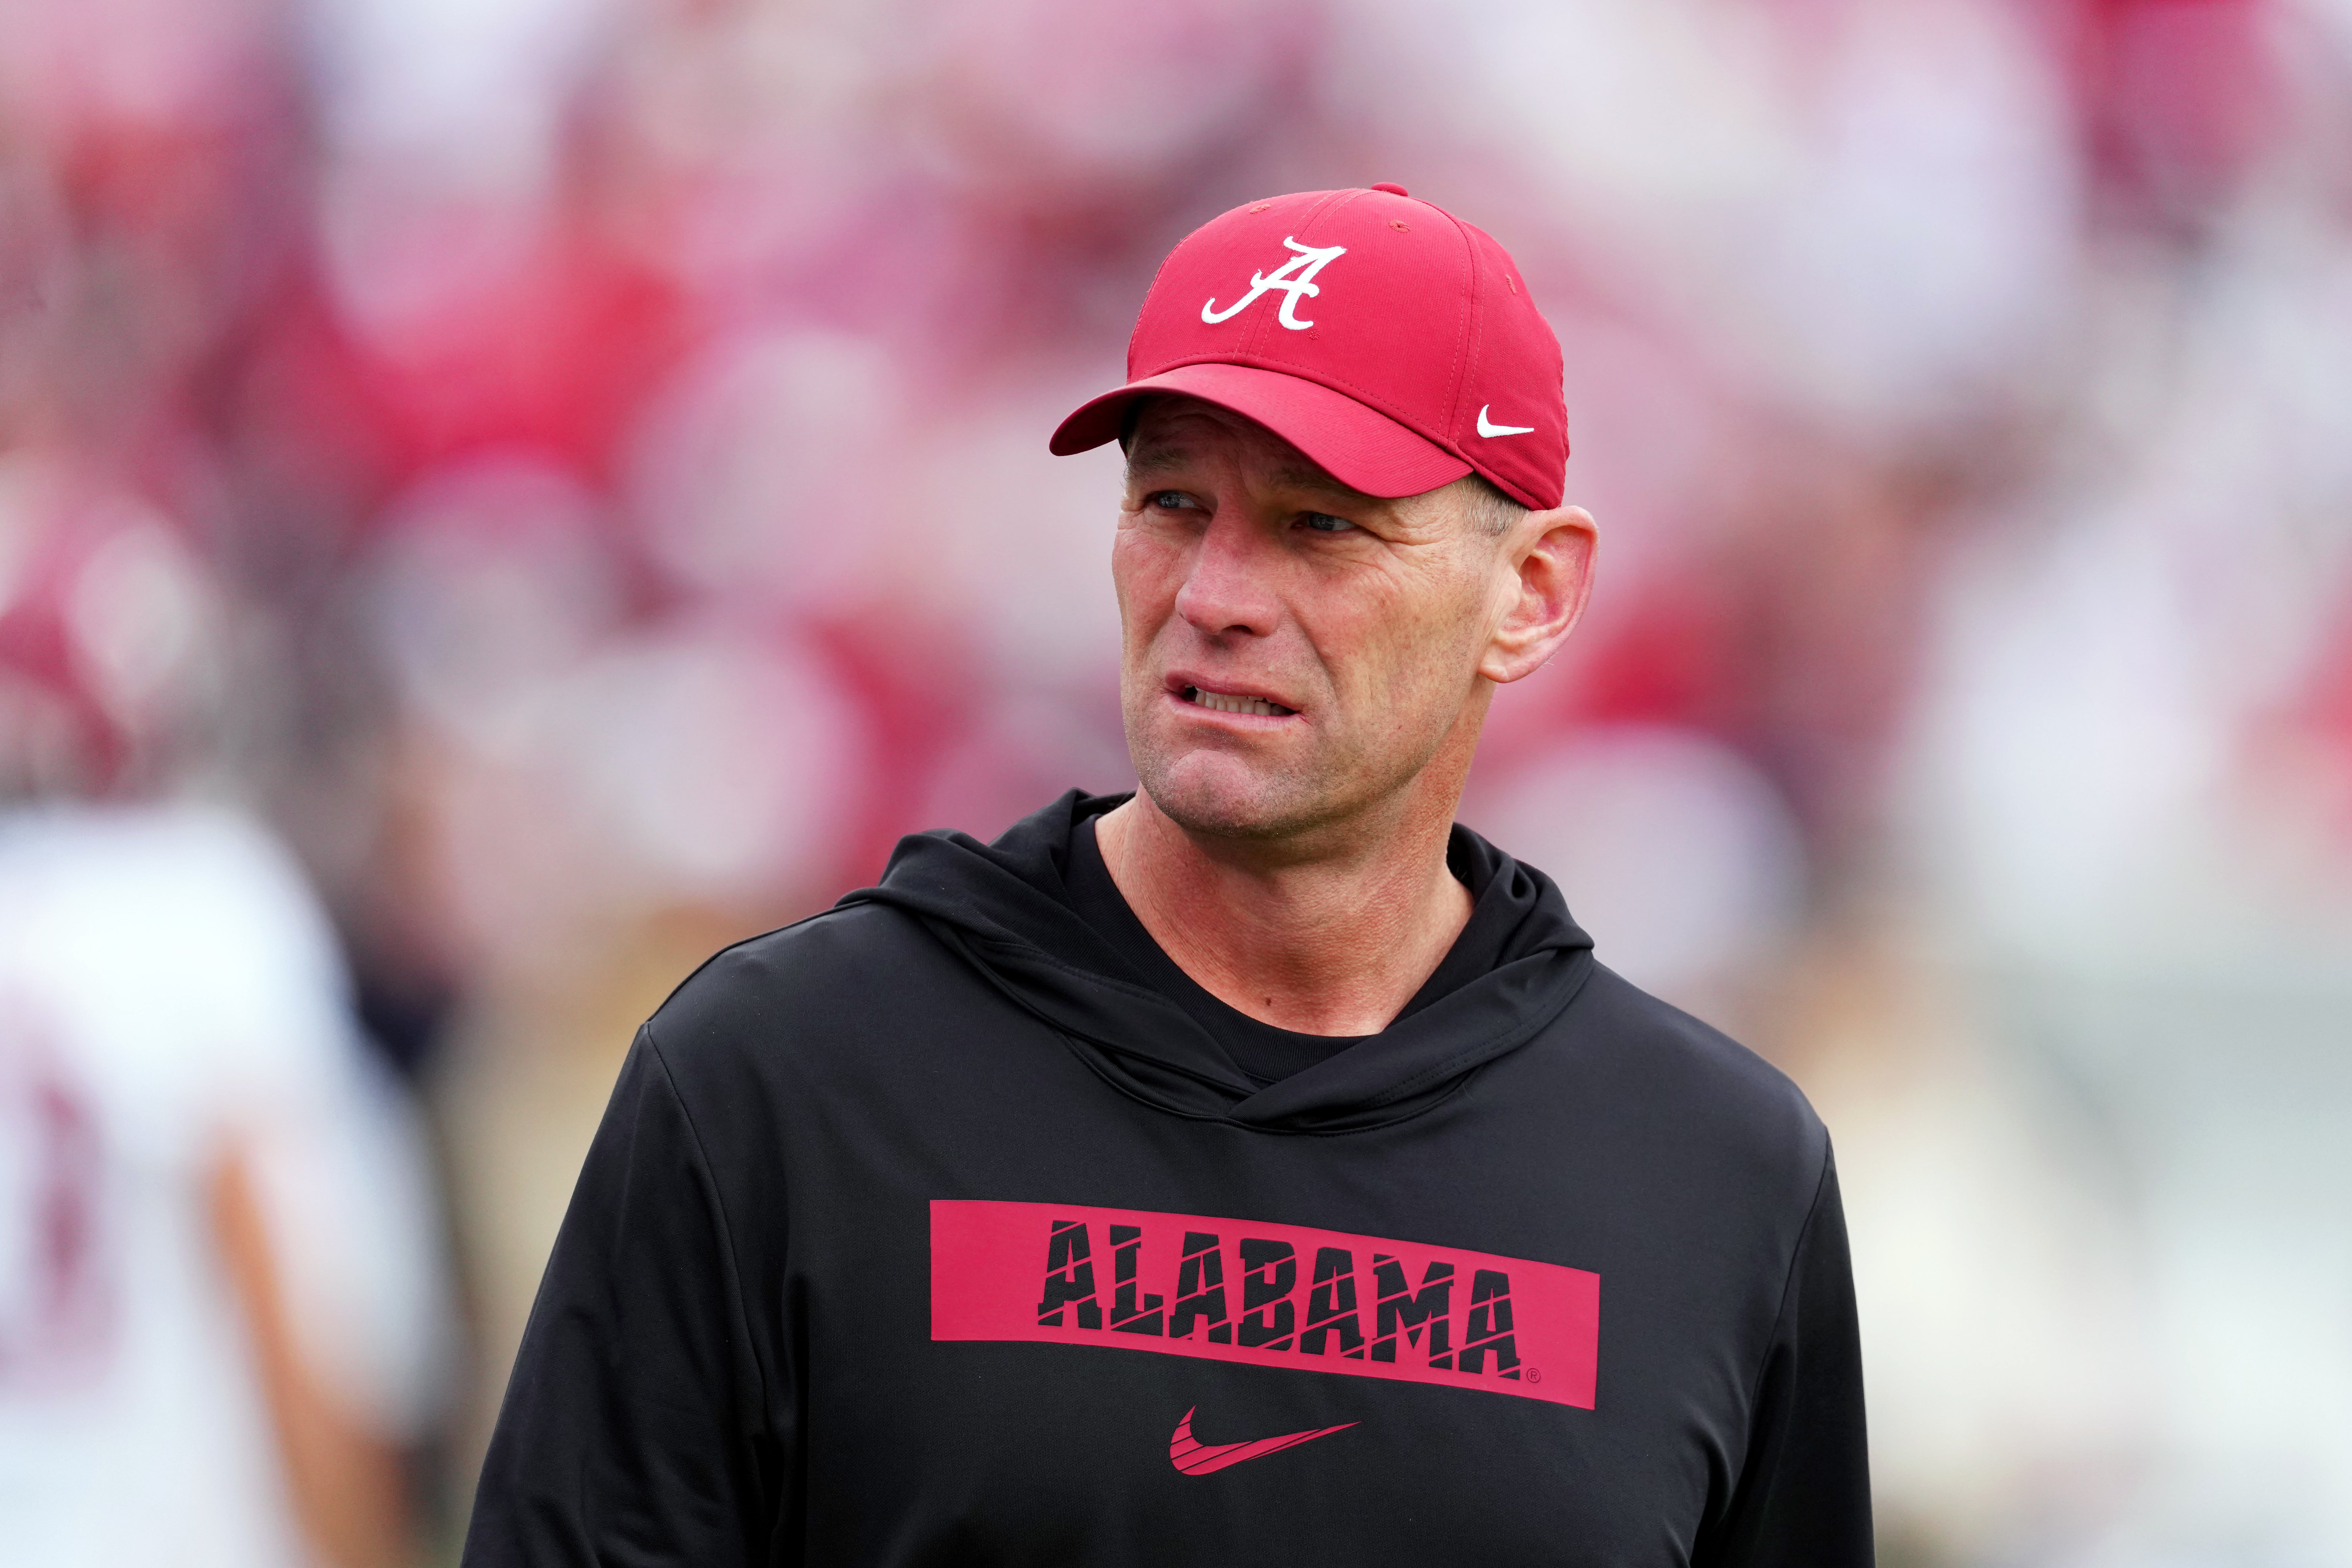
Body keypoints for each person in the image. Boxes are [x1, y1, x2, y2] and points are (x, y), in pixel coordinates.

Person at [462, 186, 1871, 1566]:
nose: (1213, 594)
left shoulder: (1713, 1176)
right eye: (1172, 502)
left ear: (1533, 593)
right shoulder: (784, 1080)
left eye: (1321, 524)